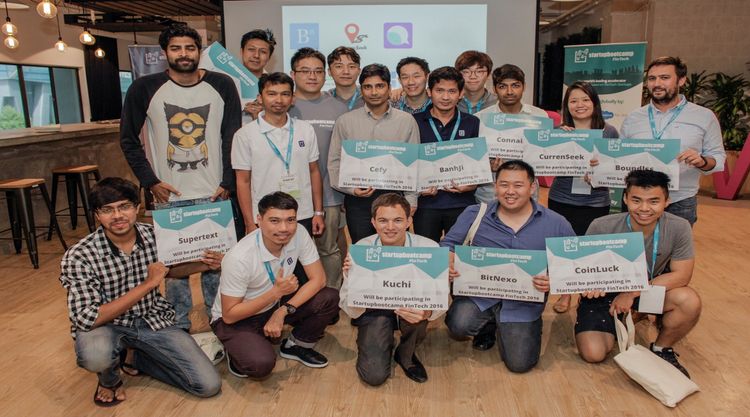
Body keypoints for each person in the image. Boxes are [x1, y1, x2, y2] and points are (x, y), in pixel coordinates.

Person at [120, 24, 241, 332]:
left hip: (215, 193)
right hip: (170, 196)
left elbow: (232, 136)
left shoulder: (222, 84)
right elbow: (128, 140)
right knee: (175, 270)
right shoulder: (144, 88)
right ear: (165, 53)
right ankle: (178, 330)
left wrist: (227, 182)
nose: (184, 54)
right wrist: (151, 181)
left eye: (190, 48)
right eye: (176, 48)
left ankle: (221, 325)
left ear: (199, 51)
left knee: (218, 266)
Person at [60, 178, 221, 407]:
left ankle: (135, 357)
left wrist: (206, 264)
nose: (117, 216)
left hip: (151, 318)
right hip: (105, 326)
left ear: (137, 208)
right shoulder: (79, 254)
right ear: (97, 215)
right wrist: (148, 284)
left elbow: (171, 270)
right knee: (96, 356)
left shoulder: (156, 235)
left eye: (124, 206)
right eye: (107, 210)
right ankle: (110, 380)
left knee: (208, 385)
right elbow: (87, 318)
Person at [441, 160, 574, 371]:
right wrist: (448, 262)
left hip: (524, 304)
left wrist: (554, 280)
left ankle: (512, 327)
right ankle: (489, 324)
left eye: (518, 185)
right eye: (504, 184)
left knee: (519, 364)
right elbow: (447, 246)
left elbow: (572, 265)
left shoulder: (556, 223)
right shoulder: (475, 214)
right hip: (480, 295)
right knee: (459, 324)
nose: (510, 191)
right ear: (495, 186)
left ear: (532, 187)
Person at [575, 169, 701, 378]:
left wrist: (632, 293)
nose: (644, 208)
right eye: (636, 200)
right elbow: (582, 270)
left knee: (688, 301)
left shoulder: (679, 227)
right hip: (606, 293)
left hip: (648, 288)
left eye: (654, 201)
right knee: (593, 353)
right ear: (625, 198)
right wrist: (587, 286)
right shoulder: (602, 226)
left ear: (667, 201)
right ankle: (627, 315)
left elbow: (682, 275)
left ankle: (661, 348)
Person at [211, 192, 339, 378]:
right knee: (260, 364)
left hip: (275, 304)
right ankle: (236, 349)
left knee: (329, 297)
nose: (284, 228)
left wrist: (281, 312)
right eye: (274, 221)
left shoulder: (299, 233)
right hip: (237, 318)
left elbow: (318, 279)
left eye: (290, 220)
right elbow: (230, 315)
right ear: (259, 220)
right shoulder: (239, 258)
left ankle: (296, 345)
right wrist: (275, 293)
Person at [340, 193, 445, 385]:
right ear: (373, 222)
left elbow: (442, 298)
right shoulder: (362, 249)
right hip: (375, 311)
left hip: (411, 309)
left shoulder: (430, 248)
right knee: (374, 376)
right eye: (383, 220)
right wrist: (351, 279)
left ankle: (406, 354)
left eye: (397, 220)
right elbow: (349, 308)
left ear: (409, 221)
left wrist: (427, 313)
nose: (390, 227)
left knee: (419, 314)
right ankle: (380, 343)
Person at [621, 56, 726, 225]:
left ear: (681, 80)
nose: (657, 84)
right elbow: (621, 154)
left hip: (680, 200)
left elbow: (718, 157)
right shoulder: (633, 117)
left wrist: (702, 161)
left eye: (664, 77)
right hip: (638, 201)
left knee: (676, 243)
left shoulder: (704, 116)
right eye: (652, 78)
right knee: (636, 242)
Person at [328, 63, 421, 243]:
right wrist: (351, 190)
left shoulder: (406, 121)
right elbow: (334, 162)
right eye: (368, 87)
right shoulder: (345, 121)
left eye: (379, 86)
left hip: (396, 199)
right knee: (363, 251)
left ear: (389, 88)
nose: (374, 92)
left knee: (394, 251)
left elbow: (414, 163)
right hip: (358, 200)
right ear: (361, 90)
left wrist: (411, 200)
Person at [549, 81, 619, 314]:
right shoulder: (558, 132)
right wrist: (559, 140)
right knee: (564, 247)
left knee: (590, 249)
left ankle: (586, 294)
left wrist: (600, 173)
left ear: (594, 103)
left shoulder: (609, 132)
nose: (579, 105)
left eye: (585, 99)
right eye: (573, 101)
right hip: (562, 198)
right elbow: (544, 161)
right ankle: (565, 292)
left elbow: (616, 166)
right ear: (567, 106)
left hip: (596, 201)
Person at [232, 71, 324, 238]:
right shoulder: (244, 135)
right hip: (264, 216)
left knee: (300, 255)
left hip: (302, 213)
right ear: (260, 98)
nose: (279, 100)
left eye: (285, 94)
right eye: (272, 94)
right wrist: (249, 223)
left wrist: (318, 212)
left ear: (293, 98)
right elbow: (242, 181)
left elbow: (314, 171)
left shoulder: (305, 130)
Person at [288, 47, 350, 289]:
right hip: (290, 194)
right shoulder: (284, 105)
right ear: (293, 74)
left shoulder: (339, 108)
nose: (312, 76)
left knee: (328, 249)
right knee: (290, 251)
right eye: (305, 71)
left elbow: (347, 153)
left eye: (318, 71)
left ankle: (331, 298)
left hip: (329, 194)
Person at [413, 66, 481, 242]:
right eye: (439, 90)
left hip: (462, 203)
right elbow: (408, 162)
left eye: (452, 91)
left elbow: (478, 163)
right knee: (428, 252)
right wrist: (418, 187)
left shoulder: (473, 123)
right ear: (429, 92)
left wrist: (472, 185)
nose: (445, 97)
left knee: (459, 254)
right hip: (426, 204)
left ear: (461, 94)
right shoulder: (414, 122)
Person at [475, 64, 549, 204]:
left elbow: (545, 154)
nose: (509, 91)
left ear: (524, 87)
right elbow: (474, 160)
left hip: (526, 191)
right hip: (490, 192)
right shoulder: (480, 119)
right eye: (503, 86)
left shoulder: (540, 117)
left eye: (515, 85)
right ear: (494, 89)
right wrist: (487, 165)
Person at [240, 29, 276, 121]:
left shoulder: (275, 85)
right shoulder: (226, 80)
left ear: (269, 57)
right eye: (251, 50)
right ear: (242, 51)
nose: (256, 55)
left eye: (263, 52)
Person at [454, 50, 497, 115]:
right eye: (466, 72)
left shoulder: (498, 103)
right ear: (458, 75)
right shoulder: (450, 102)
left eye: (479, 71)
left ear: (488, 75)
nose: (473, 76)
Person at [326, 46, 364, 111]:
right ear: (329, 72)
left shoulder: (370, 97)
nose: (346, 72)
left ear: (359, 71)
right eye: (339, 66)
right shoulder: (323, 99)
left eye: (351, 67)